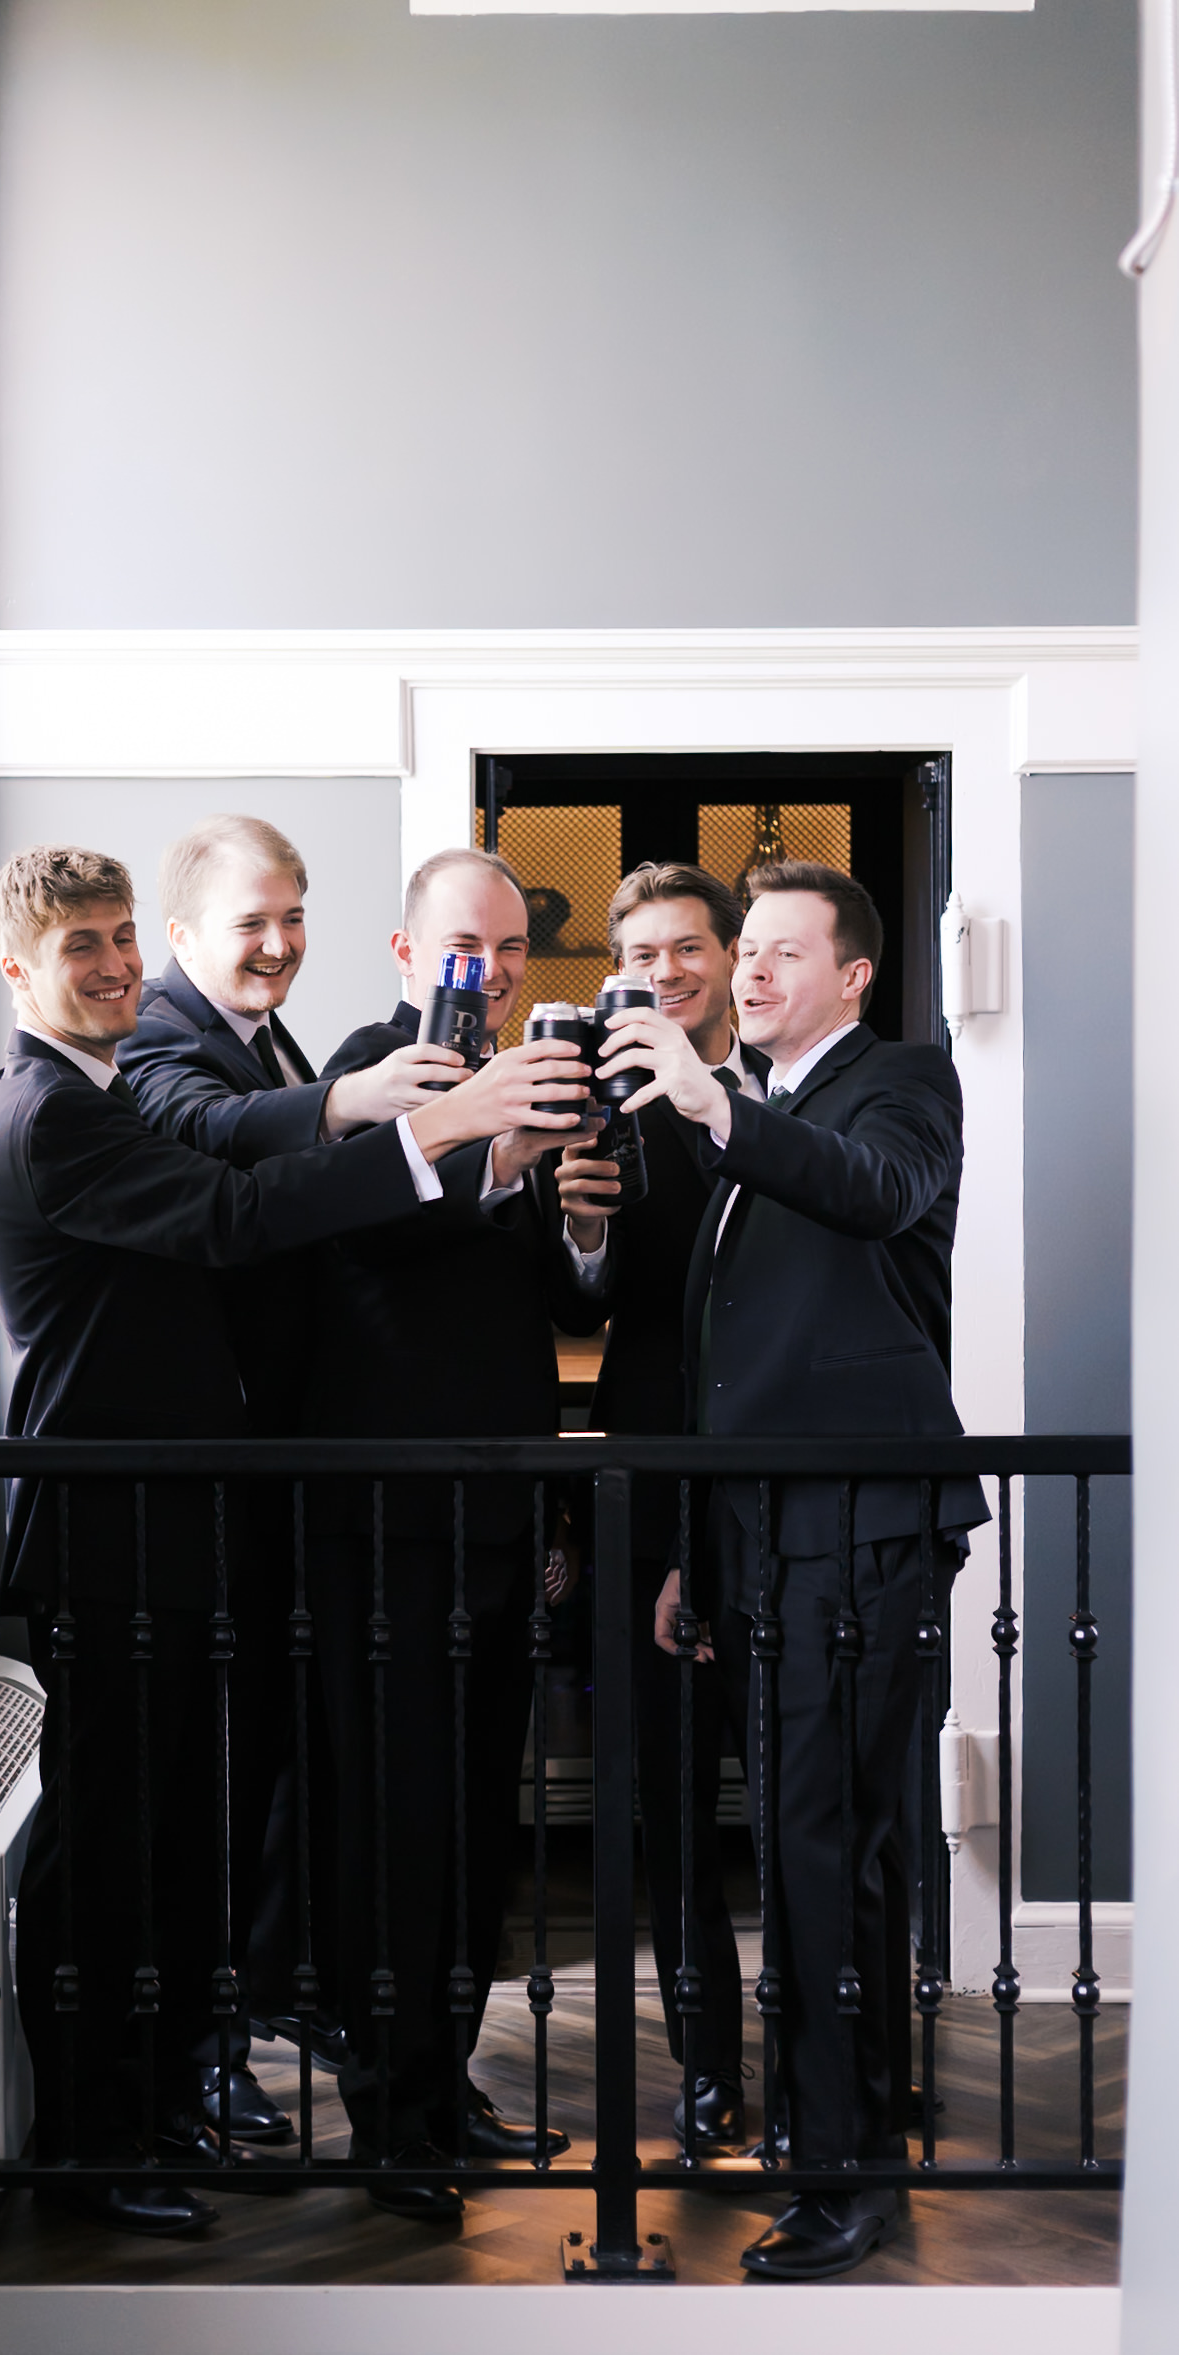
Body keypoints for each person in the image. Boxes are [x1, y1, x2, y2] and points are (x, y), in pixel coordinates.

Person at [0, 844, 586, 2239]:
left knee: (181, 1845)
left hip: (190, 1528)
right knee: (108, 1856)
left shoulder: (112, 1088)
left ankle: (158, 2109)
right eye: (87, 948)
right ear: (19, 972)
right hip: (111, 1533)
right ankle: (85, 2144)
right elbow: (240, 1216)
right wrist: (430, 1134)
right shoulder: (50, 1113)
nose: (119, 964)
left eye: (123, 937)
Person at [594, 859, 986, 2282]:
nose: (747, 973)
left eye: (776, 953)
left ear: (853, 974)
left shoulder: (897, 1087)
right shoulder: (758, 1113)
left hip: (862, 1521)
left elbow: (878, 1199)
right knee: (810, 1847)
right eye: (741, 953)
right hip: (760, 1529)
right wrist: (698, 1548)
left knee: (830, 1850)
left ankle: (842, 2172)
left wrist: (713, 1108)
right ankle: (838, 2132)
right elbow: (716, 1362)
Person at [121, 812, 456, 2114]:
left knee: (262, 1772)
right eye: (250, 922)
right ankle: (198, 2056)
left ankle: (257, 2009)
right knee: (203, 1787)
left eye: (292, 916)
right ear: (182, 933)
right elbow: (198, 1130)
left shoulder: (267, 1034)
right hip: (193, 1481)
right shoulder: (160, 1034)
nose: (276, 944)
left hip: (273, 1470)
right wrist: (353, 1105)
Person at [300, 845, 599, 2223]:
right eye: (458, 947)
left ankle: (449, 2084)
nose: (483, 973)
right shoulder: (360, 1081)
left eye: (506, 951)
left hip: (497, 1519)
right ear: (408, 953)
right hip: (386, 1535)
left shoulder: (527, 1082)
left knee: (483, 1824)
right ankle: (387, 2123)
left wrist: (577, 1217)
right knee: (396, 1832)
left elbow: (550, 1302)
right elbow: (368, 1253)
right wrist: (492, 1162)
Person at [554, 861, 759, 2151]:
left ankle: (839, 2051)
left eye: (690, 947)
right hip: (648, 1493)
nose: (668, 973)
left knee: (811, 1789)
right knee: (673, 1801)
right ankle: (706, 2069)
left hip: (781, 1489)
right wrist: (576, 1234)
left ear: (734, 956)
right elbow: (581, 1311)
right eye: (644, 956)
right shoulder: (605, 1111)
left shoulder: (789, 1096)